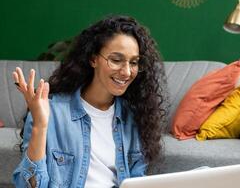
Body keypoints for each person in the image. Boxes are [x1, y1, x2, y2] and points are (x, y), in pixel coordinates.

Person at [12, 15, 168, 188]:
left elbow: (137, 180)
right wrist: (39, 127)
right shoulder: (51, 111)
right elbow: (28, 185)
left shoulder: (133, 117)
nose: (126, 72)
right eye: (116, 60)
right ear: (93, 59)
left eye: (134, 62)